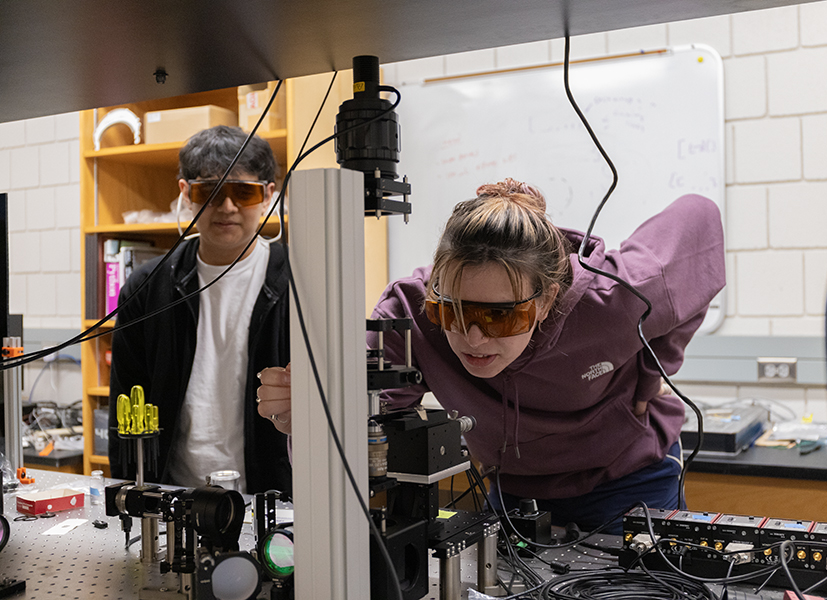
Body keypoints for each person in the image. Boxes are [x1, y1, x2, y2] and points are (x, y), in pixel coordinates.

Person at [257, 178, 725, 532]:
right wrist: (310, 420)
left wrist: (651, 371)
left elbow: (698, 215)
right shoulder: (412, 313)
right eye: (452, 311)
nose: (473, 339)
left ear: (544, 301)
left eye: (500, 317)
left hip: (627, 481)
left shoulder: (613, 298)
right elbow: (362, 421)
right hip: (514, 487)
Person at [109, 125, 291, 494]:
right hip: (173, 500)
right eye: (210, 191)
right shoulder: (146, 287)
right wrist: (130, 501)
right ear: (186, 193)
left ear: (269, 195)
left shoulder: (301, 282)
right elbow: (124, 409)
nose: (227, 206)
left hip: (272, 501)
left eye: (243, 191)